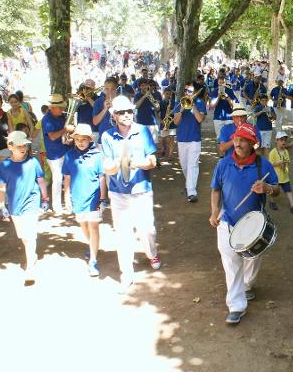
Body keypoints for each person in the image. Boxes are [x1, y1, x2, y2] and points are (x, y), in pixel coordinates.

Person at [209, 123, 280, 324]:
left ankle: (247, 285)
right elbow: (215, 190)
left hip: (254, 225)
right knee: (231, 264)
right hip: (227, 221)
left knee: (252, 261)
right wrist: (214, 211)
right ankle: (236, 306)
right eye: (236, 139)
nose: (238, 144)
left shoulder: (263, 165)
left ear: (253, 144)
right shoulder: (223, 164)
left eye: (243, 140)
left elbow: (277, 190)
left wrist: (266, 188)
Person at [101, 95, 161, 292]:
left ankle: (151, 253)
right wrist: (119, 163)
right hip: (118, 193)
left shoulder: (142, 131)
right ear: (114, 115)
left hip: (141, 189)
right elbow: (107, 168)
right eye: (121, 112)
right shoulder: (107, 136)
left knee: (147, 230)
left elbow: (152, 161)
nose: (126, 115)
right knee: (123, 234)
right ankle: (126, 273)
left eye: (128, 111)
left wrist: (138, 163)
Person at [0, 131, 49, 285]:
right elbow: (1, 187)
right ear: (10, 146)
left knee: (30, 236)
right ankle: (32, 256)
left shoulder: (33, 162)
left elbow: (41, 181)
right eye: (19, 145)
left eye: (24, 145)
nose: (23, 148)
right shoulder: (5, 165)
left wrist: (45, 199)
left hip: (31, 204)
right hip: (14, 207)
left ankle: (30, 269)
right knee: (24, 237)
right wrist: (1, 206)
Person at [62, 124, 107, 277]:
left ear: (90, 139)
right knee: (83, 226)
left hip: (94, 198)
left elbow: (102, 178)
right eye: (77, 139)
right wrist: (66, 197)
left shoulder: (98, 155)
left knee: (93, 227)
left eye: (84, 139)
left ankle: (93, 260)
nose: (80, 142)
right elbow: (67, 178)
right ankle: (92, 244)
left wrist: (102, 198)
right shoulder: (69, 156)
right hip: (77, 197)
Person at [173, 83, 207, 203]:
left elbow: (200, 119)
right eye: (187, 90)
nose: (188, 92)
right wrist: (182, 108)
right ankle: (189, 185)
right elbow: (176, 122)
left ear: (195, 92)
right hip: (182, 139)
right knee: (184, 165)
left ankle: (192, 192)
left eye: (191, 91)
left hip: (194, 139)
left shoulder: (200, 103)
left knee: (192, 165)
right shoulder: (179, 102)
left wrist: (192, 106)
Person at [42, 94, 73, 214]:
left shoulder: (62, 116)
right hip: (54, 154)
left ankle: (68, 203)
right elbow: (53, 136)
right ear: (52, 107)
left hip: (65, 150)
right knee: (58, 180)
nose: (62, 109)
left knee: (68, 178)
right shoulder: (47, 119)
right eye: (59, 107)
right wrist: (66, 129)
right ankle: (57, 206)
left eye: (62, 107)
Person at [268, 131, 293, 214]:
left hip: (285, 176)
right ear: (276, 141)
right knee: (274, 191)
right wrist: (278, 163)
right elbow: (270, 165)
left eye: (284, 140)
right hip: (276, 176)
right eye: (281, 140)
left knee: (288, 190)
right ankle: (272, 201)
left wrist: (285, 162)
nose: (283, 142)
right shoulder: (273, 152)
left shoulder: (286, 151)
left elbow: (288, 161)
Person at [134, 78, 162, 144]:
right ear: (140, 86)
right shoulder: (137, 95)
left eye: (145, 85)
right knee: (142, 143)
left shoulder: (153, 95)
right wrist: (144, 96)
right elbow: (136, 106)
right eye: (142, 85)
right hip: (141, 122)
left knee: (153, 144)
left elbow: (157, 108)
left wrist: (150, 97)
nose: (144, 87)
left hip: (152, 122)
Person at [92, 76, 118, 145]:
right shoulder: (98, 102)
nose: (109, 92)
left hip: (119, 139)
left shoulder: (120, 100)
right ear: (104, 89)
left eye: (112, 89)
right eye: (107, 89)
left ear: (116, 89)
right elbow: (95, 122)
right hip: (103, 139)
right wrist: (105, 109)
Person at [158, 86, 177, 162]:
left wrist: (173, 112)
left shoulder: (173, 102)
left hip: (171, 123)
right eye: (166, 94)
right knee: (163, 139)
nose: (168, 95)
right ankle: (164, 148)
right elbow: (157, 112)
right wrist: (160, 120)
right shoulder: (161, 103)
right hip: (163, 123)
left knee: (171, 139)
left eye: (169, 94)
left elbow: (177, 112)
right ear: (163, 94)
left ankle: (170, 155)